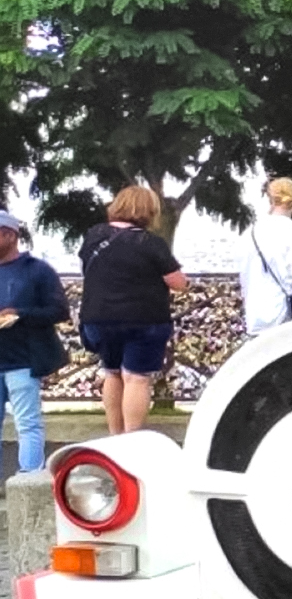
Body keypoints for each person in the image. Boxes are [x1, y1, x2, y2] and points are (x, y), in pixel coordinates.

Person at [78, 185, 187, 434]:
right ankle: (131, 440)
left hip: (98, 318)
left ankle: (115, 438)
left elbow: (87, 269)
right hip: (143, 320)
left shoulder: (94, 236)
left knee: (112, 373)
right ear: (149, 211)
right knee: (136, 378)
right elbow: (177, 282)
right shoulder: (150, 243)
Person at [0, 213, 69, 473]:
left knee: (27, 424)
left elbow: (60, 310)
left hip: (23, 360)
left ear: (10, 235)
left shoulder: (37, 270)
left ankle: (28, 480)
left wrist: (20, 314)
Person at [240, 178, 292, 335]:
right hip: (284, 318)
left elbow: (245, 277)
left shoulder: (248, 234)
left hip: (255, 318)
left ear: (271, 199)